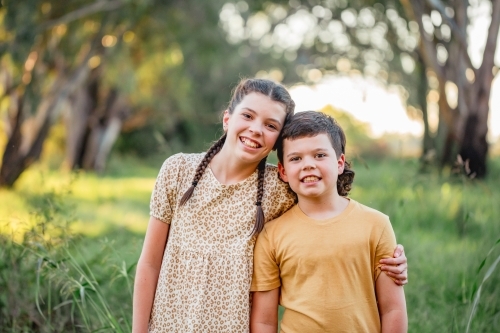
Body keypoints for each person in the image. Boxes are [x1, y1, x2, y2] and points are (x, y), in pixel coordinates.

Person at [133, 79, 408, 333]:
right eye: (248, 116)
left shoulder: (278, 189)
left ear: (277, 138)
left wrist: (387, 258)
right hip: (169, 324)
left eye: (271, 125)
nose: (256, 129)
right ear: (227, 118)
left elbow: (328, 213)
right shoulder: (178, 170)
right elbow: (149, 263)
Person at [250, 111, 407, 333]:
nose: (308, 165)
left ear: (340, 162)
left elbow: (393, 310)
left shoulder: (376, 225)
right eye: (296, 158)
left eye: (320, 155)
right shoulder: (271, 234)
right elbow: (264, 321)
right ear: (283, 171)